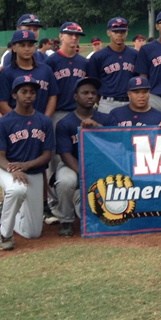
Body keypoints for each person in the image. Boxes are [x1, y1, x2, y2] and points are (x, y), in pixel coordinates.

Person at [0, 75, 55, 251]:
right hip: (7, 170)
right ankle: (5, 235)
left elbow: (47, 155)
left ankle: (7, 212)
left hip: (32, 171)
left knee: (33, 233)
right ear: (14, 95)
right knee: (16, 189)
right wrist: (13, 169)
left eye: (32, 92)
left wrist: (26, 166)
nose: (29, 95)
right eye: (24, 91)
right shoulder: (4, 122)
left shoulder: (44, 121)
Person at [52, 77, 114, 237]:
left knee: (101, 217)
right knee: (66, 181)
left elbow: (113, 146)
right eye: (85, 93)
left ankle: (81, 200)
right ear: (75, 96)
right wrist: (85, 173)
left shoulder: (106, 119)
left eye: (93, 93)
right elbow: (65, 154)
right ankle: (66, 220)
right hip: (72, 164)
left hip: (101, 165)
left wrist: (98, 128)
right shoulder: (65, 123)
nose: (90, 96)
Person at [42, 21, 90, 224]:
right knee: (53, 160)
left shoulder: (83, 63)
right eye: (70, 34)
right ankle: (54, 205)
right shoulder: (51, 62)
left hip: (80, 114)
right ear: (61, 36)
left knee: (81, 155)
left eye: (77, 35)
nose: (74, 38)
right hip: (57, 113)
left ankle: (80, 200)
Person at [0, 29, 57, 119]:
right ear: (14, 48)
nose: (27, 49)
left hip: (41, 123)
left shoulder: (46, 70)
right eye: (22, 45)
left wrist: (45, 120)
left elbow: (52, 96)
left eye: (30, 45)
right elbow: (2, 103)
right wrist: (19, 121)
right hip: (16, 126)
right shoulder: (6, 73)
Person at [86, 17, 137, 115]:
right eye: (115, 31)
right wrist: (99, 100)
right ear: (108, 32)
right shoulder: (98, 56)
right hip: (107, 102)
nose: (119, 34)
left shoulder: (135, 55)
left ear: (126, 33)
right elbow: (93, 83)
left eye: (123, 31)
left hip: (130, 102)